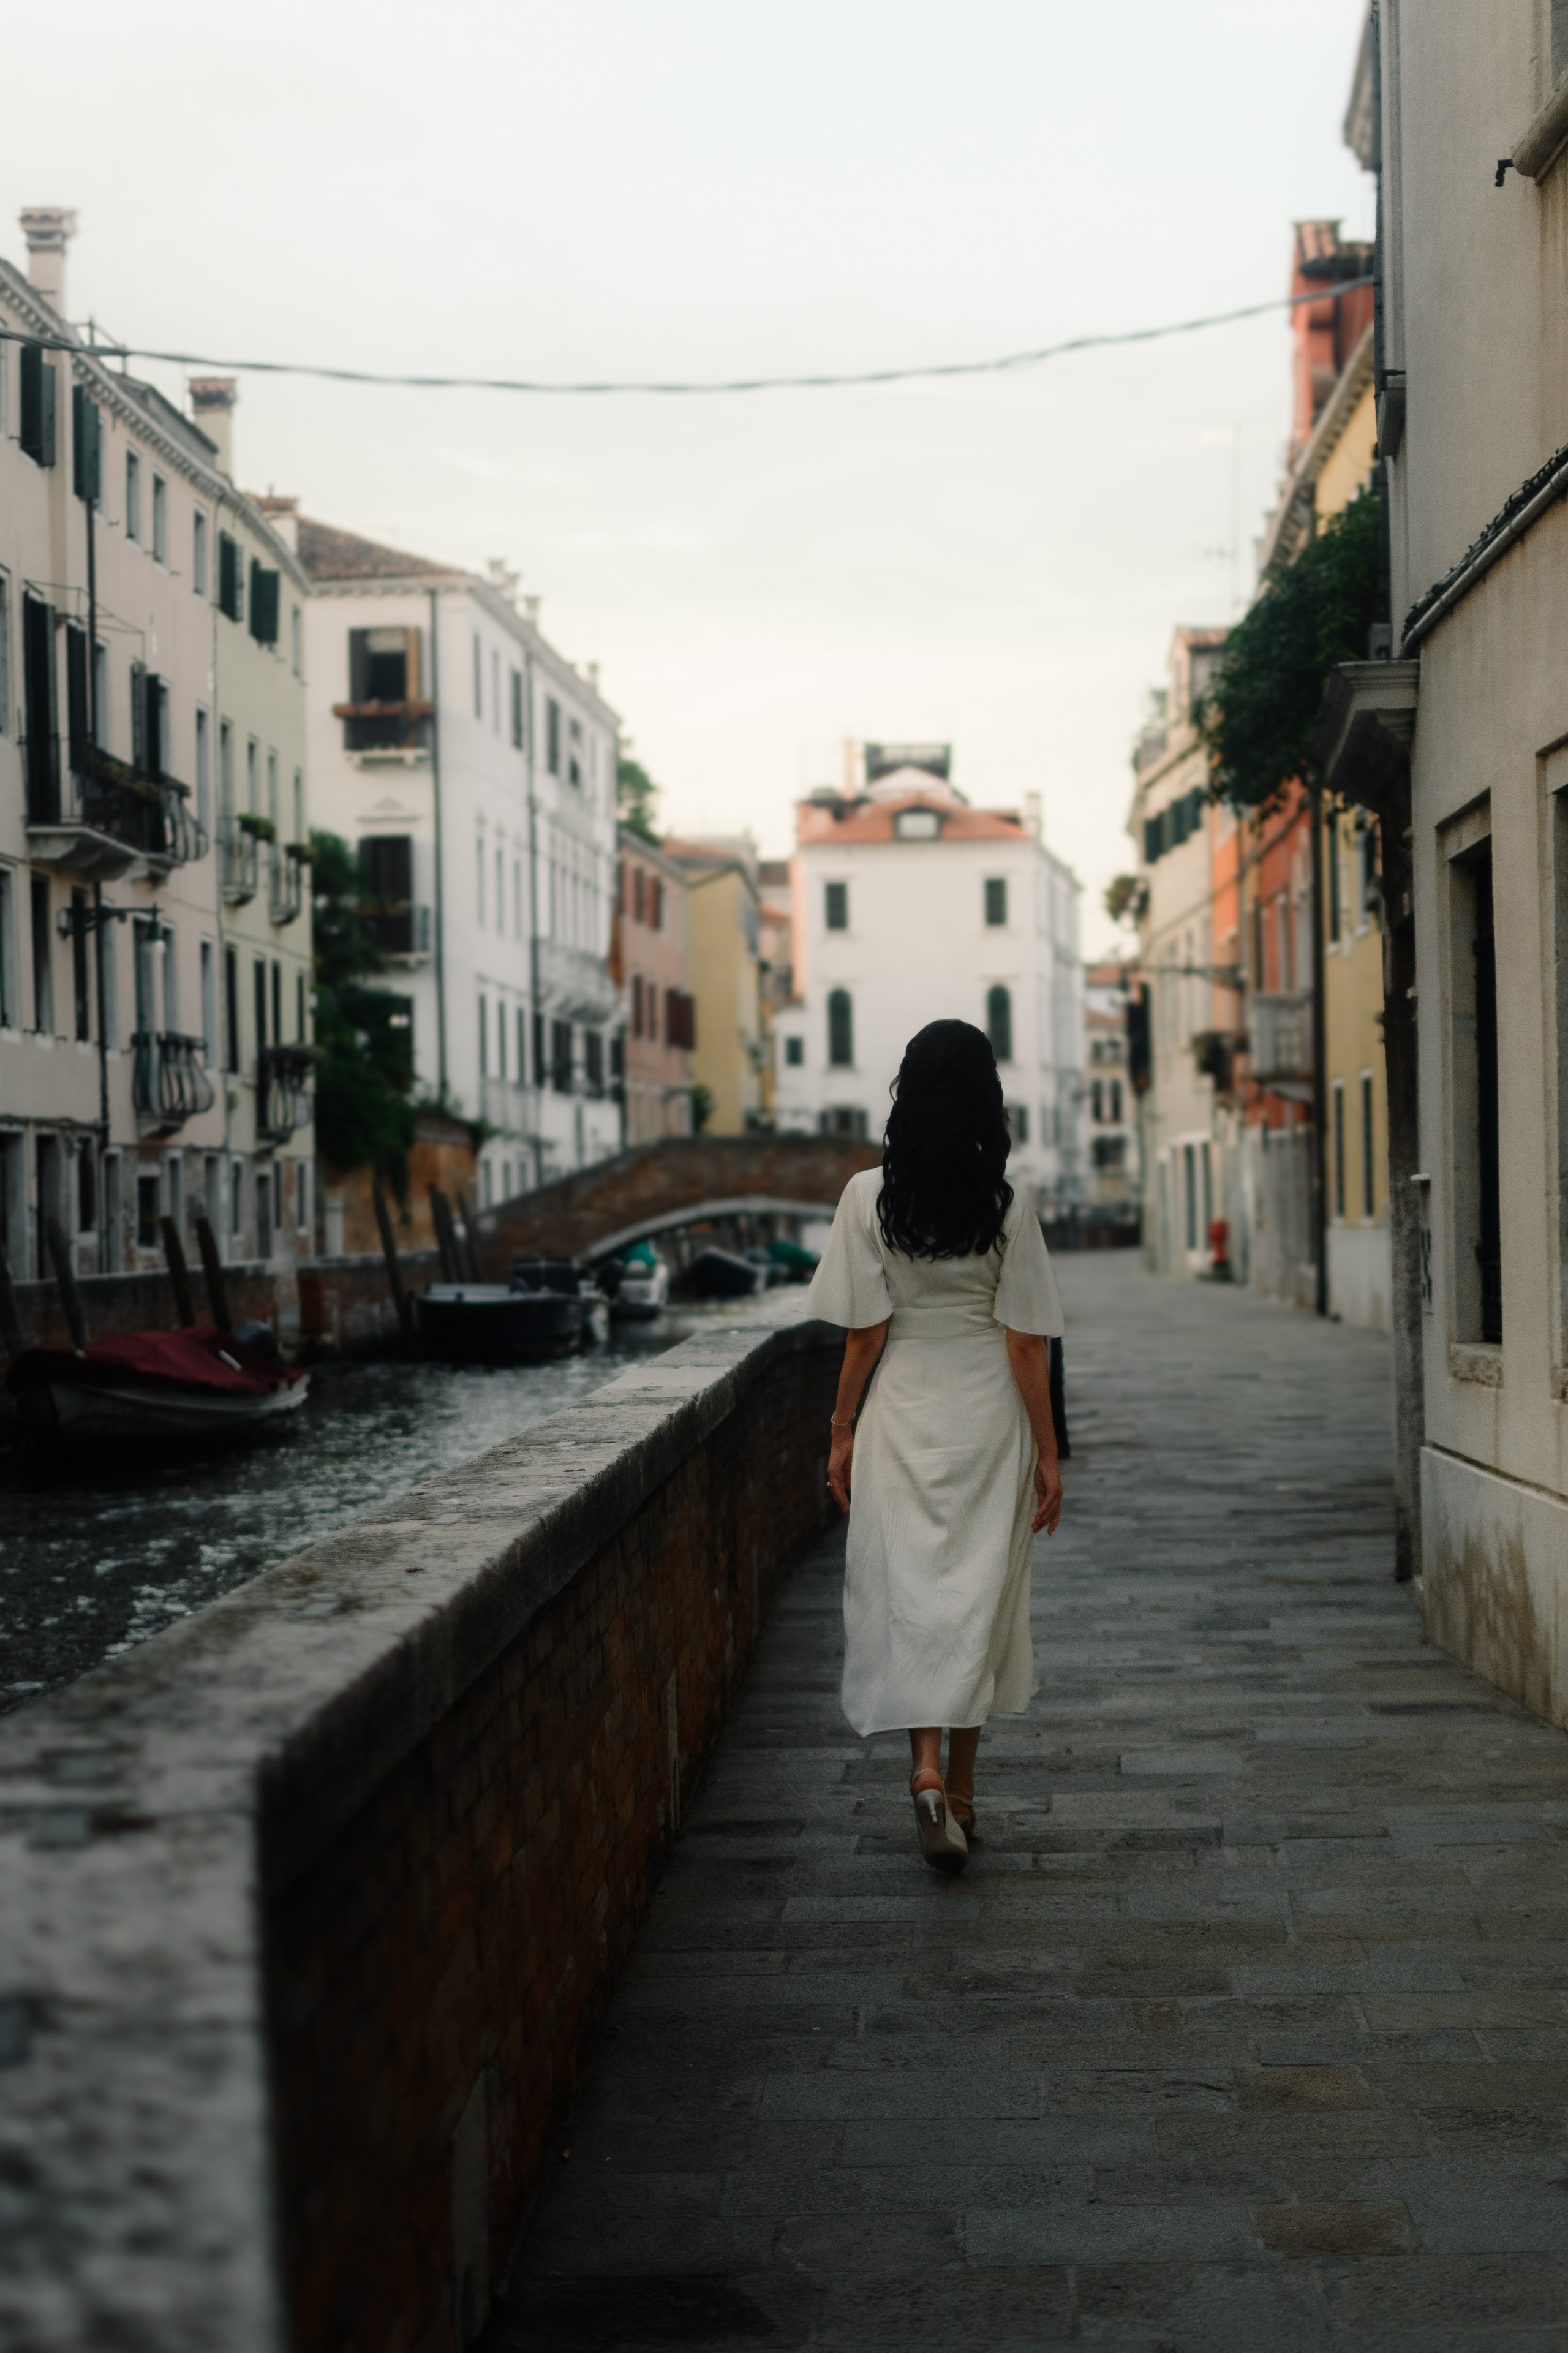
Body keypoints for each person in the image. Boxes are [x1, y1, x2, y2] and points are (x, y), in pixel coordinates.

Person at [804, 1020, 1064, 1874]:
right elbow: (1028, 1343)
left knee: (915, 1587)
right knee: (978, 1595)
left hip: (903, 1413)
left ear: (906, 1094)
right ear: (986, 1098)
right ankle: (961, 1793)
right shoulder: (1009, 1203)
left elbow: (864, 1336)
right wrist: (1050, 1452)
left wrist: (841, 1433)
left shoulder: (865, 1197)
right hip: (988, 1417)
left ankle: (920, 1764)